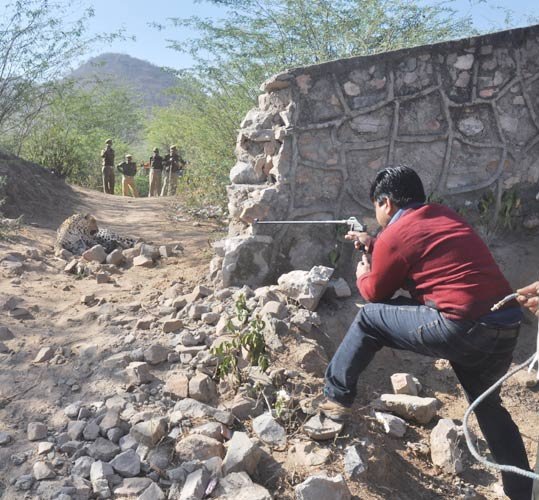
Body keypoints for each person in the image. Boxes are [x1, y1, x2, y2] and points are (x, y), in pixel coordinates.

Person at [320, 165, 533, 500]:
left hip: (462, 326)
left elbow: (376, 292)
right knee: (490, 407)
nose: (377, 216)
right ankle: (523, 491)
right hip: (504, 324)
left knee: (369, 318)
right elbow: (418, 251)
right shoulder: (443, 216)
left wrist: (362, 271)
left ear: (386, 203)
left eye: (376, 207)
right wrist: (373, 243)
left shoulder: (396, 232)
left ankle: (334, 400)